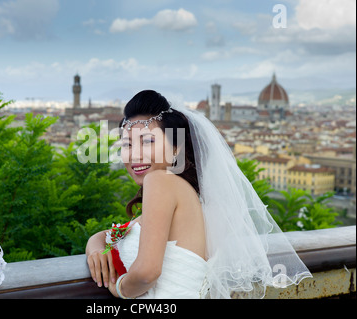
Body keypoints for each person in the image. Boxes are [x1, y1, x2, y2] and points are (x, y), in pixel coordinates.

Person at [85, 90, 312, 299]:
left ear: (176, 148)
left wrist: (120, 287)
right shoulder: (193, 197)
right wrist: (95, 246)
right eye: (127, 144)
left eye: (148, 142)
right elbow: (110, 235)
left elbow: (147, 273)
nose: (135, 155)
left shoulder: (160, 181)